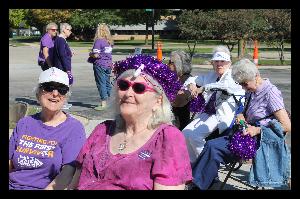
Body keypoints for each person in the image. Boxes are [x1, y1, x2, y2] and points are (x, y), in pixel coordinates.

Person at [67, 54, 192, 190]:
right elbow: (74, 183)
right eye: (123, 85)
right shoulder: (102, 130)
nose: (128, 93)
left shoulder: (167, 138)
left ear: (158, 101)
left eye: (139, 88)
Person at [191, 58, 291, 190]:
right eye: (241, 84)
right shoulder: (252, 90)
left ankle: (198, 184)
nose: (243, 87)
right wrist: (241, 115)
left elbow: (286, 125)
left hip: (260, 141)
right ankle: (200, 181)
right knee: (210, 142)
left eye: (245, 84)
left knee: (213, 148)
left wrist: (257, 130)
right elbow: (244, 112)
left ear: (256, 76)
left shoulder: (270, 93)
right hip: (245, 134)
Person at [9, 67, 86, 190]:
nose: (55, 93)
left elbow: (68, 172)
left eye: (62, 89)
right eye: (49, 87)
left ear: (66, 97)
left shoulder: (74, 128)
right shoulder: (25, 123)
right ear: (38, 93)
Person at [182, 46, 245, 164]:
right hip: (208, 113)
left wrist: (203, 88)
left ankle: (205, 166)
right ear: (212, 63)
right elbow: (192, 79)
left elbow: (224, 86)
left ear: (229, 63)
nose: (219, 64)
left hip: (222, 115)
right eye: (216, 61)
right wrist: (191, 85)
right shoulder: (211, 75)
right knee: (185, 134)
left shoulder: (233, 76)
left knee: (195, 137)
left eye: (223, 62)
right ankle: (193, 163)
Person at [88, 23, 114, 111]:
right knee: (107, 83)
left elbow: (96, 55)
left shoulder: (99, 41)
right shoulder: (109, 41)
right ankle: (112, 101)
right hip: (108, 64)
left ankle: (103, 103)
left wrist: (90, 53)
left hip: (100, 64)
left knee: (101, 83)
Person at [167, 50, 193, 130]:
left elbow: (179, 100)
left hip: (179, 124)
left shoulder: (188, 80)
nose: (168, 64)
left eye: (170, 62)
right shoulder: (172, 77)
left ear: (178, 65)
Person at [53, 23, 73, 109]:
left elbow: (64, 53)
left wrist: (69, 52)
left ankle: (63, 102)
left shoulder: (61, 39)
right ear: (64, 30)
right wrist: (67, 69)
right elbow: (62, 55)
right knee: (63, 86)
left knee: (64, 85)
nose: (70, 32)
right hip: (62, 67)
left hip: (62, 66)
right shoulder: (60, 40)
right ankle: (62, 103)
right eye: (69, 30)